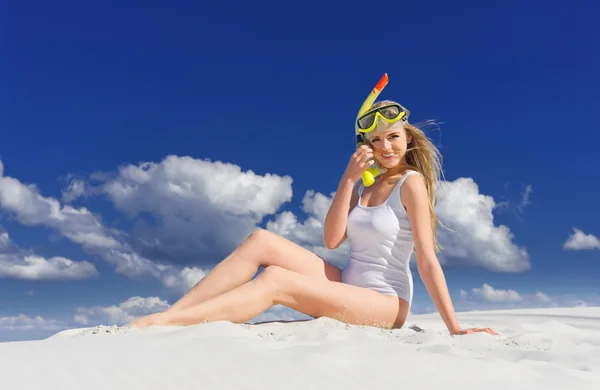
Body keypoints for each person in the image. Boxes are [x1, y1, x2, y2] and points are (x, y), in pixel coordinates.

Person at [130, 100, 498, 336]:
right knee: (261, 240)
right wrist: (348, 180)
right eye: (377, 141)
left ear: (408, 139)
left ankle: (167, 324)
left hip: (385, 303)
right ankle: (172, 315)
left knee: (276, 278)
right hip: (348, 283)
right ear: (366, 146)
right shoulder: (365, 186)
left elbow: (427, 260)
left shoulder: (411, 182)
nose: (386, 147)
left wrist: (455, 328)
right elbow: (333, 240)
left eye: (393, 137)